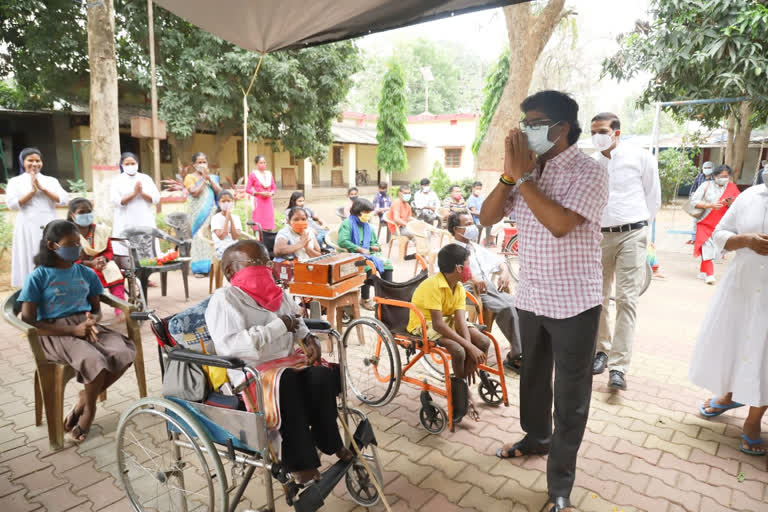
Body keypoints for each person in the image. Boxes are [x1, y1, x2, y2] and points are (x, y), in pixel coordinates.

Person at [480, 90, 608, 512]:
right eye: (525, 124)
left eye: (535, 124)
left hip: (575, 303)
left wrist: (523, 179)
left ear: (562, 128)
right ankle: (535, 438)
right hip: (532, 296)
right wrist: (508, 176)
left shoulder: (590, 172)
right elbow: (487, 217)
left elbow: (558, 224)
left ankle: (560, 486)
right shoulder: (527, 170)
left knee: (570, 398)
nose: (526, 132)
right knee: (533, 380)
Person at [205, 240, 354, 483]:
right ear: (231, 271)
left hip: (287, 363)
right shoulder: (225, 300)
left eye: (267, 263)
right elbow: (231, 346)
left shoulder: (276, 293)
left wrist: (309, 339)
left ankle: (331, 442)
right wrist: (277, 327)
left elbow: (296, 321)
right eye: (255, 264)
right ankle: (301, 464)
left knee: (321, 375)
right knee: (286, 384)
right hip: (251, 371)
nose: (264, 269)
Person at [19, 220, 136, 442]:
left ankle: (83, 398)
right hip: (55, 333)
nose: (77, 248)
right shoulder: (39, 276)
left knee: (124, 351)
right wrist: (72, 330)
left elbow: (96, 310)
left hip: (85, 326)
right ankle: (89, 411)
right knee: (93, 359)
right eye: (70, 244)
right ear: (53, 246)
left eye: (77, 243)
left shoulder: (86, 273)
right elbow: (28, 319)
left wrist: (92, 321)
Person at [689, 181, 768, 456]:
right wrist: (746, 240)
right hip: (741, 288)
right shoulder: (751, 195)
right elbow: (720, 234)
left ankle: (754, 420)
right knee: (737, 342)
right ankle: (732, 395)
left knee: (765, 353)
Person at [589, 112, 661, 391]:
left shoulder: (640, 157)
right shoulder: (593, 165)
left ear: (616, 132)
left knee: (627, 299)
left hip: (633, 233)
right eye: (593, 131)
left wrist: (643, 228)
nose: (597, 136)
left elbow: (653, 197)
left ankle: (619, 366)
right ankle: (602, 351)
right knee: (599, 297)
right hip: (601, 237)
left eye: (602, 130)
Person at [407, 243, 491, 420]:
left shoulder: (458, 286)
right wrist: (468, 347)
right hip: (425, 323)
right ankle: (463, 394)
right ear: (459, 268)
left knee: (483, 342)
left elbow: (461, 322)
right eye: (468, 264)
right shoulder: (433, 285)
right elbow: (438, 325)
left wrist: (471, 348)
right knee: (458, 350)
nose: (470, 269)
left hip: (446, 321)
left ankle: (462, 384)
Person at [447, 212, 522, 373]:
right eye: (467, 225)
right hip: (470, 291)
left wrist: (504, 273)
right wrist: (472, 278)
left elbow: (499, 261)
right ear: (456, 229)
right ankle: (517, 356)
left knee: (521, 304)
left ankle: (520, 350)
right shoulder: (451, 250)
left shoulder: (475, 247)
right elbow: (449, 274)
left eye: (471, 223)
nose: (472, 227)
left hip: (487, 287)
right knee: (507, 308)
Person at [6, 147, 68, 287]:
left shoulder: (50, 181)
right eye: (30, 160)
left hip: (49, 223)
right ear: (23, 162)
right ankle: (30, 287)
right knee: (29, 255)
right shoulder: (15, 181)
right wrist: (32, 192)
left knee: (49, 252)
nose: (34, 164)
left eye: (37, 160)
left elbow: (63, 199)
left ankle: (52, 285)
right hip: (26, 224)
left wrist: (43, 189)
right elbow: (12, 205)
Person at [68, 198, 126, 315]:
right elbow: (69, 257)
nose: (86, 215)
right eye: (81, 212)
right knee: (87, 275)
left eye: (88, 211)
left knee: (114, 271)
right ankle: (90, 311)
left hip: (101, 264)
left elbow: (109, 250)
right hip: (79, 266)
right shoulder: (68, 233)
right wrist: (90, 264)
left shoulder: (100, 230)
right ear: (72, 215)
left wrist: (103, 259)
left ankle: (120, 308)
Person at [338, 199, 393, 311]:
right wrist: (359, 249)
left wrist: (375, 247)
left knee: (387, 264)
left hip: (368, 253)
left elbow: (374, 243)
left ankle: (387, 296)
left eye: (369, 212)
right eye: (366, 212)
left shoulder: (367, 226)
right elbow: (342, 241)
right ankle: (365, 299)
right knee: (367, 266)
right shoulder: (347, 223)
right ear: (358, 211)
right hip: (352, 254)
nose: (368, 215)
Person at [690, 164, 740, 284]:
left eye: (727, 176)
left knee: (716, 249)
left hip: (722, 224)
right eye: (721, 176)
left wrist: (729, 204)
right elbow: (693, 202)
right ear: (715, 176)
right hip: (704, 221)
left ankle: (703, 271)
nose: (724, 178)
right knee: (707, 246)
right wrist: (710, 205)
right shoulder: (706, 185)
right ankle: (710, 274)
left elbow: (739, 205)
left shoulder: (732, 187)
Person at [110, 152, 161, 259]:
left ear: (137, 163)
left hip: (144, 219)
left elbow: (155, 199)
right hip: (125, 220)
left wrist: (141, 193)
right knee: (126, 252)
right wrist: (134, 193)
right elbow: (117, 201)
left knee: (147, 251)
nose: (130, 166)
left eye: (132, 163)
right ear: (122, 165)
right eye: (127, 164)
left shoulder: (145, 178)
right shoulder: (117, 180)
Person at [184, 152, 222, 275]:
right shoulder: (190, 177)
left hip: (211, 212)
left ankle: (212, 267)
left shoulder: (213, 177)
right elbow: (194, 192)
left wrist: (209, 178)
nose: (202, 164)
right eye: (199, 162)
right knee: (199, 239)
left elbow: (220, 192)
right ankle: (198, 269)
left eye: (204, 162)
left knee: (210, 239)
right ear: (194, 164)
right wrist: (204, 180)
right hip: (197, 214)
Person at [246, 155, 276, 231]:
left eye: (264, 162)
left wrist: (271, 193)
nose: (263, 164)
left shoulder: (269, 174)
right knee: (259, 226)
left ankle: (267, 240)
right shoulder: (253, 175)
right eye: (260, 163)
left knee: (268, 225)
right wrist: (260, 193)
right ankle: (258, 240)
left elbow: (274, 188)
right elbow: (247, 189)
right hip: (259, 202)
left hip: (268, 202)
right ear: (256, 164)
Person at [688, 161, 714, 244]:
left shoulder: (715, 178)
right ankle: (694, 238)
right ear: (702, 168)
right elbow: (694, 188)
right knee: (696, 220)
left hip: (710, 202)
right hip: (699, 202)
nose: (707, 169)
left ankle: (706, 239)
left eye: (709, 168)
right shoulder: (699, 177)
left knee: (708, 221)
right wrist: (691, 198)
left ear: (712, 168)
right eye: (705, 168)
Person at [210, 190, 242, 259]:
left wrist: (231, 219)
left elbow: (235, 237)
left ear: (232, 202)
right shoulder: (215, 218)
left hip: (234, 247)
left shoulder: (236, 218)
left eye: (228, 201)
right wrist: (227, 218)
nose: (226, 203)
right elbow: (222, 236)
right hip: (221, 248)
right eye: (223, 201)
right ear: (219, 203)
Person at [467, 181, 494, 247]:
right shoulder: (471, 199)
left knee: (493, 223)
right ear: (473, 188)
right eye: (477, 188)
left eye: (480, 189)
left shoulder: (481, 197)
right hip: (476, 219)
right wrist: (483, 214)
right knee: (488, 225)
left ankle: (487, 242)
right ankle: (486, 243)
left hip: (483, 217)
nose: (478, 190)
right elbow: (474, 211)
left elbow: (485, 207)